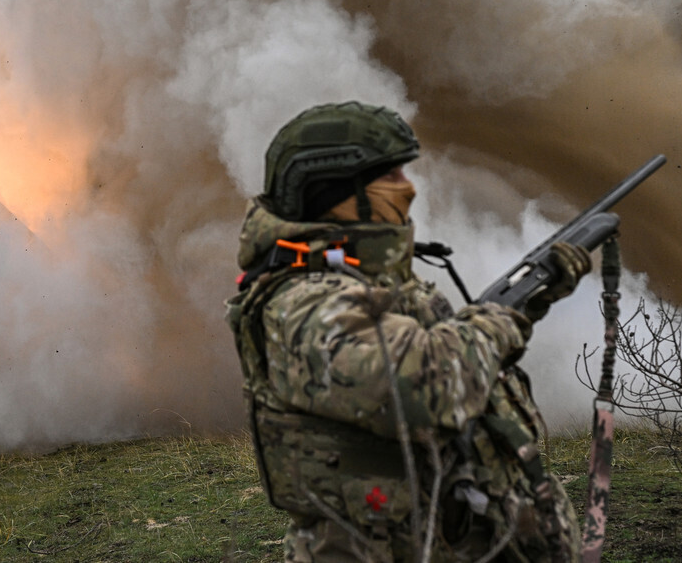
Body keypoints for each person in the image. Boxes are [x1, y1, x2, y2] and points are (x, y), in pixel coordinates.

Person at [226, 102, 589, 562]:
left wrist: (529, 301)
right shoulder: (304, 303)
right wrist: (498, 322)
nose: (409, 188)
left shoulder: (366, 281)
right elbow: (427, 384)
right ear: (335, 192)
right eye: (390, 176)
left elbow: (452, 359)